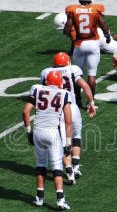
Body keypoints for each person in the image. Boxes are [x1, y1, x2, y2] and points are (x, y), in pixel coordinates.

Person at [41, 52, 96, 182]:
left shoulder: (46, 73)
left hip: (57, 110)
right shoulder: (73, 69)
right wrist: (91, 103)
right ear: (67, 61)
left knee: (62, 142)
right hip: (73, 108)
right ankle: (76, 167)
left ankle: (70, 171)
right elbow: (85, 86)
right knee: (76, 137)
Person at [22, 70, 73, 210]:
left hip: (38, 130)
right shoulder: (64, 94)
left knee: (40, 165)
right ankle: (60, 200)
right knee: (57, 167)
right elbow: (68, 121)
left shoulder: (38, 90)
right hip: (52, 132)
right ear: (59, 82)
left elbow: (26, 111)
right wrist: (68, 143)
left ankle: (39, 198)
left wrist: (28, 132)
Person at [64, 0, 110, 97]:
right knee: (92, 75)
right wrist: (107, 35)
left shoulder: (73, 9)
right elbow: (102, 24)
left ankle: (78, 100)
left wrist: (72, 37)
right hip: (93, 43)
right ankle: (91, 101)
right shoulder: (96, 9)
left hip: (79, 44)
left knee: (78, 75)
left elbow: (67, 29)